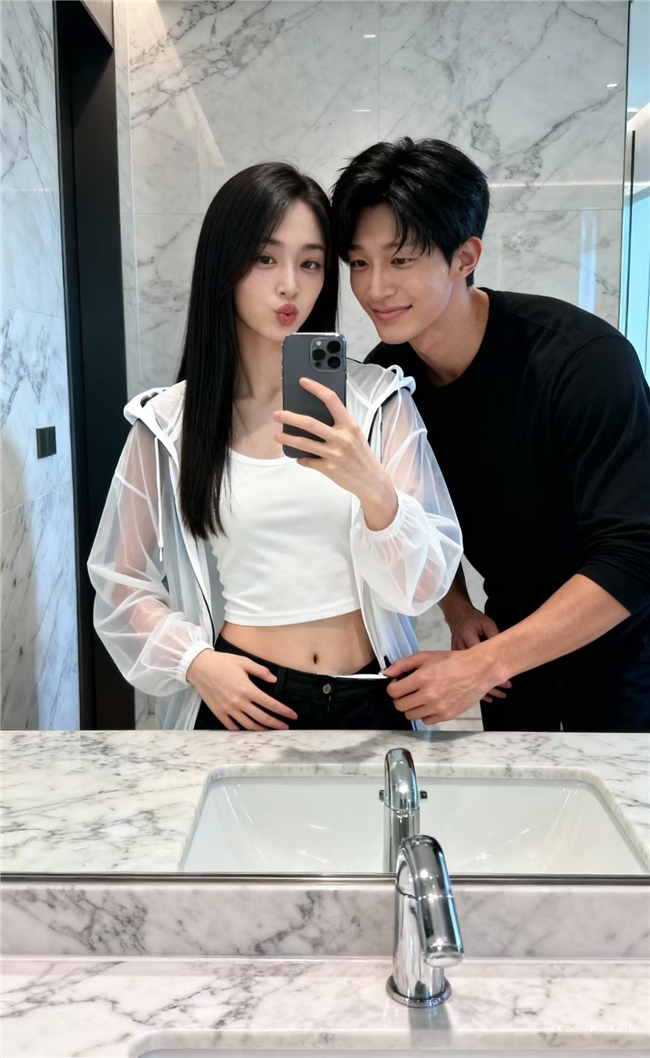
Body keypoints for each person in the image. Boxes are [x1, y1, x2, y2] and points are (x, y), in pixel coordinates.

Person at [88, 161, 462, 731]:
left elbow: (423, 586)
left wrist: (373, 489)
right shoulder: (169, 423)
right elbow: (118, 582)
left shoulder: (378, 401)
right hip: (244, 696)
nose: (290, 284)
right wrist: (196, 663)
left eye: (310, 262)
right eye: (266, 258)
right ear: (225, 263)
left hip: (371, 698)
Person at [331, 137, 650, 732]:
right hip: (509, 657)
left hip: (623, 658)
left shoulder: (584, 361)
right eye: (359, 263)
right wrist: (457, 608)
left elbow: (635, 555)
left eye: (401, 260)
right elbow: (417, 514)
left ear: (465, 256)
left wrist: (480, 666)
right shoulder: (388, 379)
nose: (375, 289)